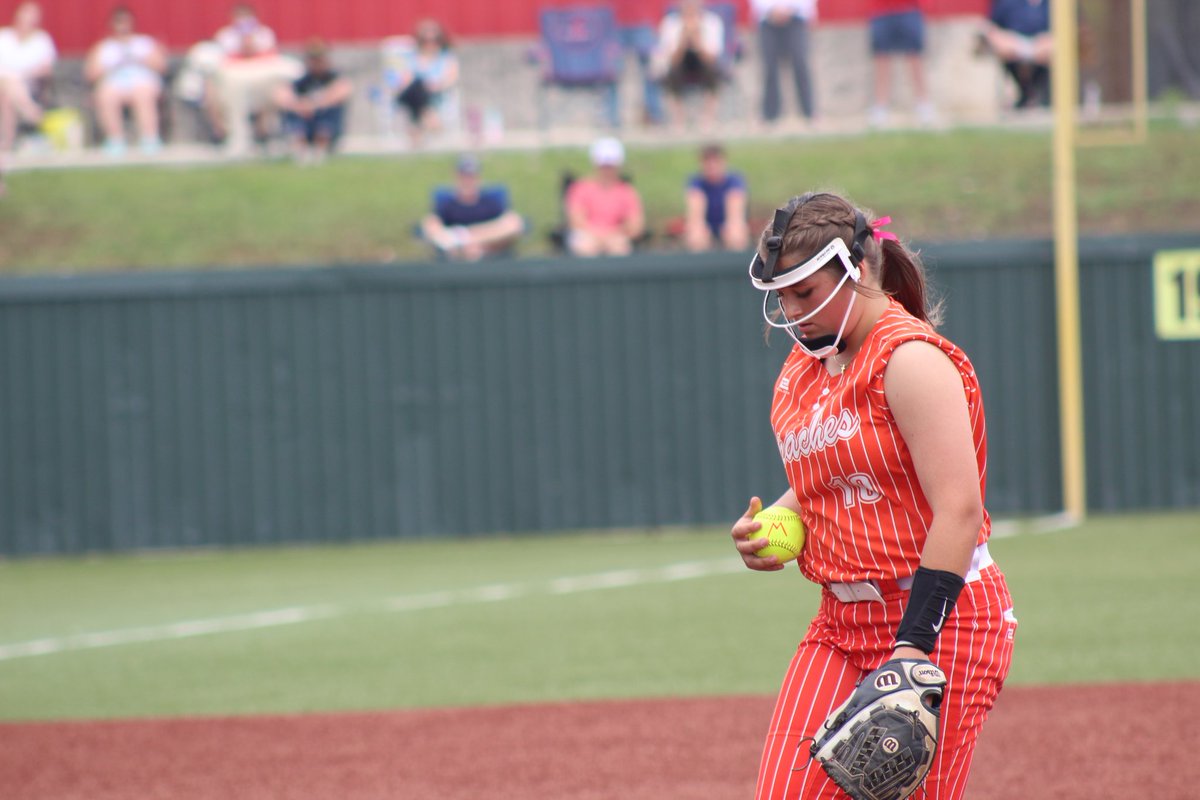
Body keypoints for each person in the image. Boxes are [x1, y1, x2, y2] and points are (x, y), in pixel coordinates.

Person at [731, 191, 1017, 799]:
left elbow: (959, 509)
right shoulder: (809, 364)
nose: (791, 309)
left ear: (857, 271)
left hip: (942, 622)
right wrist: (773, 523)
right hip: (842, 624)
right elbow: (834, 474)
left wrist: (911, 647)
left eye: (804, 292)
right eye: (782, 295)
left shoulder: (908, 359)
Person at [206, 3, 302, 153]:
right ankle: (227, 135)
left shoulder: (265, 34)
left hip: (260, 81)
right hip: (235, 82)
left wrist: (251, 45)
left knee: (280, 91)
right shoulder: (226, 36)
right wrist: (243, 44)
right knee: (218, 92)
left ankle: (276, 133)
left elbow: (271, 57)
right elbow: (225, 60)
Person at [84, 5, 167, 156]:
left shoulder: (143, 43)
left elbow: (161, 66)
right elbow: (90, 74)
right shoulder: (104, 47)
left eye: (126, 22)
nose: (123, 27)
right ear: (112, 25)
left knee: (143, 93)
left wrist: (141, 59)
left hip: (141, 81)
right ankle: (115, 140)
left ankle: (150, 138)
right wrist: (110, 65)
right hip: (115, 84)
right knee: (106, 94)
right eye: (119, 23)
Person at [419, 154, 525, 261]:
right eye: (464, 176)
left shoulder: (490, 201)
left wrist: (471, 239)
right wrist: (456, 245)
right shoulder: (448, 203)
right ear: (456, 177)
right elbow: (431, 225)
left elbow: (513, 224)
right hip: (455, 255)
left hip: (491, 252)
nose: (467, 181)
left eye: (471, 176)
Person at [0, 0, 55, 193]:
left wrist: (21, 75)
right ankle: (31, 112)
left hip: (28, 86)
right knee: (8, 84)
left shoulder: (42, 40)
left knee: (8, 94)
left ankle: (6, 145)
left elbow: (46, 68)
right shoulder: (3, 37)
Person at [272, 38, 352, 164]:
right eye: (313, 59)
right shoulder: (301, 79)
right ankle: (300, 150)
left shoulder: (333, 77)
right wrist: (298, 106)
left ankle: (321, 150)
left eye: (319, 59)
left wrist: (313, 105)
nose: (316, 63)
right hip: (305, 119)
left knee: (331, 111)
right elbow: (280, 95)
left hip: (322, 119)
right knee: (293, 114)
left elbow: (342, 91)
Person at [650, 0, 725, 130]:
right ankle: (678, 119)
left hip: (703, 62)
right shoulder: (670, 23)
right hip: (680, 63)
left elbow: (711, 58)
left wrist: (697, 38)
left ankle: (707, 118)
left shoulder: (712, 22)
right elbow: (671, 59)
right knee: (672, 73)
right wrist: (683, 38)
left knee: (713, 72)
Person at [564, 137, 645, 257]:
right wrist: (600, 237)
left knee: (619, 246)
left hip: (616, 237)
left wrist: (613, 234)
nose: (607, 170)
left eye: (611, 165)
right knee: (586, 245)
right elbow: (576, 220)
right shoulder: (581, 188)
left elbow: (636, 225)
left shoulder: (626, 191)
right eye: (604, 165)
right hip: (588, 236)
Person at [867, 0, 934, 127]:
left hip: (909, 9)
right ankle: (880, 107)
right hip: (880, 11)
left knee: (915, 59)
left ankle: (924, 105)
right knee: (881, 59)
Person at [393, 18, 459, 146]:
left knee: (420, 88)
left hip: (435, 94)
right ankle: (429, 116)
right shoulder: (411, 57)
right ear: (420, 41)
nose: (430, 44)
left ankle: (416, 129)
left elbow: (451, 79)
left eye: (434, 40)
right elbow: (404, 80)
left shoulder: (446, 57)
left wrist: (436, 86)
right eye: (426, 41)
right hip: (410, 93)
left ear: (440, 40)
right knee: (418, 85)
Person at [751, 0, 817, 125]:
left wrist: (789, 9)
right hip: (768, 19)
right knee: (770, 68)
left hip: (797, 18)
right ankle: (770, 114)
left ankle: (809, 111)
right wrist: (772, 9)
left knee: (800, 63)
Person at [979, 0, 1052, 109]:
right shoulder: (1007, 3)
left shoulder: (1055, 4)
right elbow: (991, 28)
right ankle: (1024, 94)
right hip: (1013, 48)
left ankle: (1041, 95)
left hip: (1046, 47)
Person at [684, 143, 749, 252]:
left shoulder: (734, 181)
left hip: (728, 223)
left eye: (715, 161)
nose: (712, 165)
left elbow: (735, 215)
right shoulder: (696, 182)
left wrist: (731, 228)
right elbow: (695, 215)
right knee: (696, 235)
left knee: (735, 233)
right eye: (707, 161)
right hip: (707, 225)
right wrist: (699, 230)